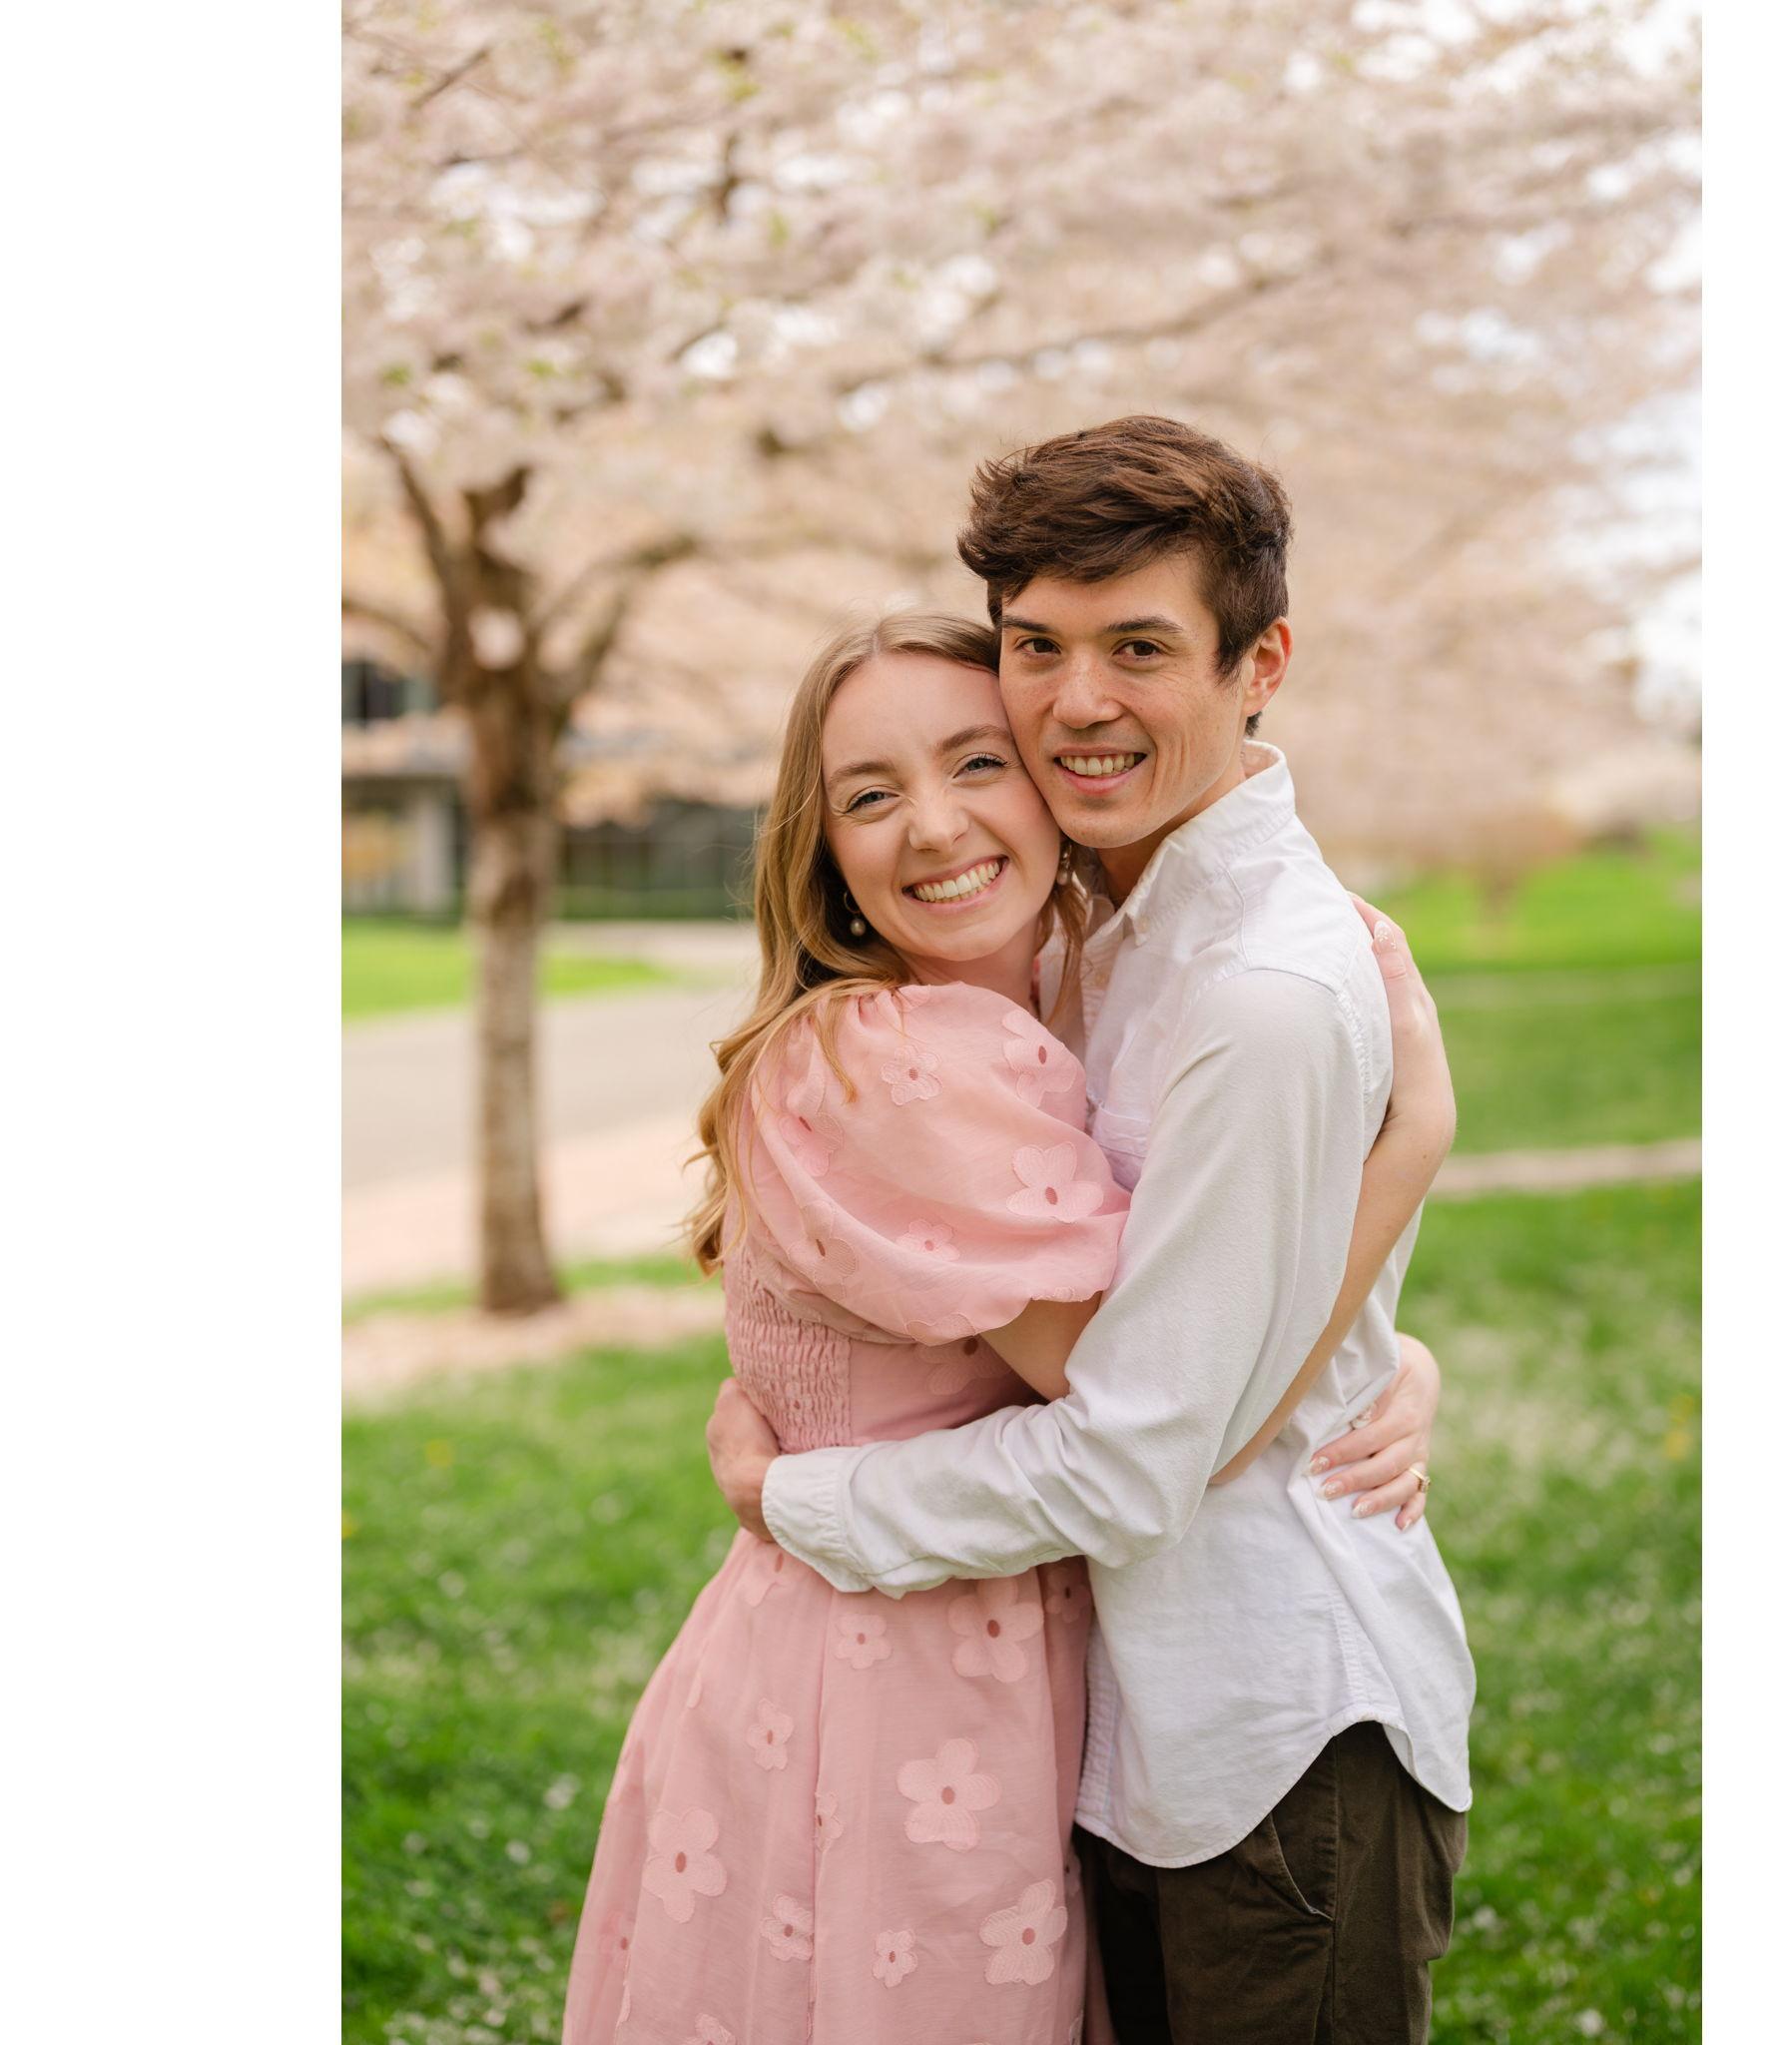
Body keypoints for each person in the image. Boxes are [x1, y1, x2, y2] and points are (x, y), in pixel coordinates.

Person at [562, 603, 1448, 2044]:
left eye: (977, 763)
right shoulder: (903, 1059)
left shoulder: (1044, 1012)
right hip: (898, 1701)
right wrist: (1412, 1143)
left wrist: (1396, 1359)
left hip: (929, 1669)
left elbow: (1218, 1318)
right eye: (868, 795)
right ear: (823, 855)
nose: (931, 826)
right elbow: (1173, 1398)